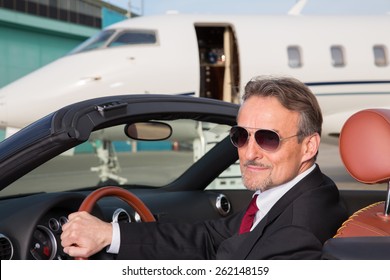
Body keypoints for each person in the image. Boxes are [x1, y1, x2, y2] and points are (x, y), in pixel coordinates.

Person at [61, 75, 348, 259]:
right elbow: (210, 238)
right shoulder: (297, 194)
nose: (249, 153)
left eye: (268, 138)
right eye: (240, 136)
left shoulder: (300, 229)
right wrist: (110, 234)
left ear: (309, 146)